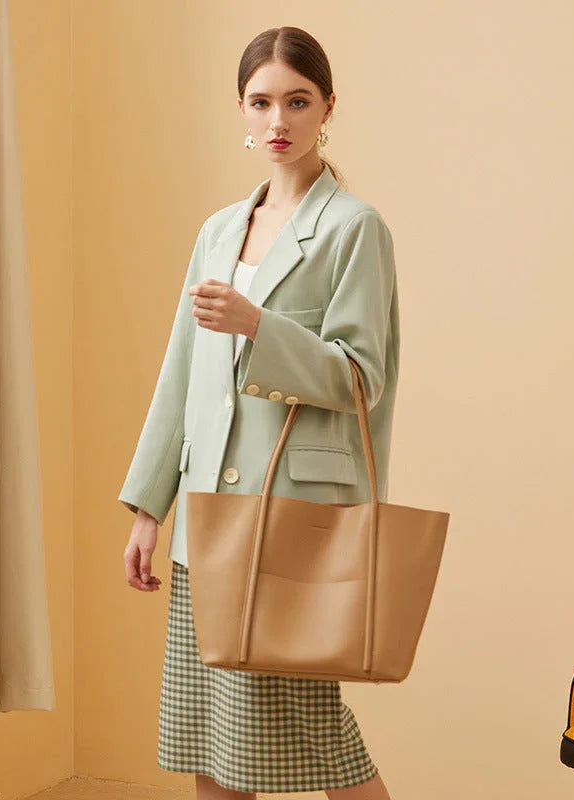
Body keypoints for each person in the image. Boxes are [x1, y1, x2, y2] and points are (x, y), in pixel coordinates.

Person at [119, 25, 398, 800]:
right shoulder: (218, 231)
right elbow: (179, 375)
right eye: (262, 101)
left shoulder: (353, 230)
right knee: (212, 739)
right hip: (206, 521)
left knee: (318, 737)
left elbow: (362, 378)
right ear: (241, 112)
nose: (278, 120)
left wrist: (259, 328)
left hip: (290, 522)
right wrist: (149, 507)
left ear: (327, 108)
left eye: (297, 101)